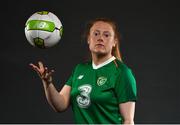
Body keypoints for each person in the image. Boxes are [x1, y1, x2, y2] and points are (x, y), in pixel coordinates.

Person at [29, 18, 137, 124]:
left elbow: (128, 120)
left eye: (106, 35)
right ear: (88, 39)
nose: (100, 38)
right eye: (96, 34)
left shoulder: (122, 73)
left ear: (114, 42)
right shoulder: (80, 69)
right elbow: (60, 105)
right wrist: (47, 83)